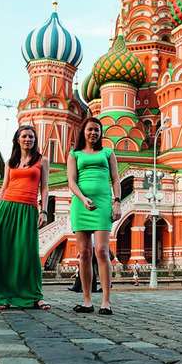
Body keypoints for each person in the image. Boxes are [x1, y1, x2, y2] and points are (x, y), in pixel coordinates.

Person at [0, 125, 50, 311]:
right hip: (7, 207)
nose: (28, 139)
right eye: (24, 136)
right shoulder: (10, 162)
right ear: (17, 139)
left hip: (28, 209)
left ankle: (35, 296)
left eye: (31, 136)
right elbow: (3, 187)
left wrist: (44, 211)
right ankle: (2, 295)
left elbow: (45, 188)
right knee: (2, 251)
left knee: (27, 253)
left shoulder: (42, 161)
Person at [67, 117, 121, 314]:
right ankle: (87, 300)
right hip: (81, 205)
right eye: (90, 129)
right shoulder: (75, 154)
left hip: (103, 204)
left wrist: (117, 202)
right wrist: (82, 198)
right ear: (84, 132)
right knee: (84, 253)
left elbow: (115, 179)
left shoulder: (108, 153)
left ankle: (106, 301)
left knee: (102, 251)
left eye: (97, 130)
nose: (93, 133)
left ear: (101, 133)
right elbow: (71, 181)